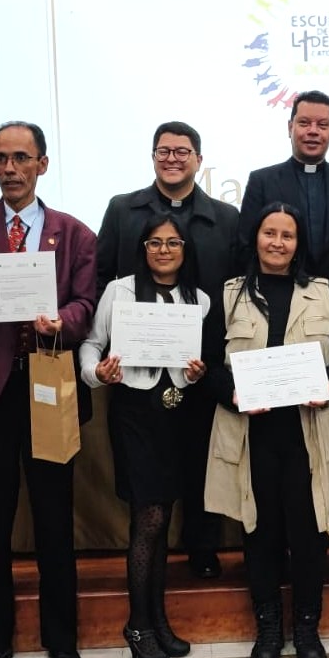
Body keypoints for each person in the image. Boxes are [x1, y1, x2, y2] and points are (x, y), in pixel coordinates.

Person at [0, 121, 98, 658]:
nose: (9, 169)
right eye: (1, 159)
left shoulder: (73, 232)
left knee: (55, 521)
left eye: (21, 159)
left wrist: (63, 321)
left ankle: (62, 641)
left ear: (42, 164)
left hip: (48, 385)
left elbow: (86, 303)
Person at [238, 89, 329, 574]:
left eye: (322, 124)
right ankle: (279, 541)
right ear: (290, 126)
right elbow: (248, 242)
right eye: (304, 122)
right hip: (275, 320)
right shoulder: (262, 181)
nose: (313, 131)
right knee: (278, 444)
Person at [206, 203, 329, 658]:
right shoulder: (230, 294)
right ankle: (268, 630)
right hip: (252, 434)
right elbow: (209, 363)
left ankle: (308, 630)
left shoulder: (324, 294)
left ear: (298, 244)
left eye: (287, 235)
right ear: (255, 238)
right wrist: (233, 392)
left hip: (307, 433)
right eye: (269, 233)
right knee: (260, 532)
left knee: (311, 533)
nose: (277, 242)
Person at [96, 120, 239, 579]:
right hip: (137, 369)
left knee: (200, 456)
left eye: (182, 151)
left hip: (202, 363)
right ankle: (151, 568)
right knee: (148, 481)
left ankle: (202, 545)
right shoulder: (123, 209)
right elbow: (102, 276)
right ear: (153, 156)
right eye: (164, 151)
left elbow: (232, 288)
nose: (173, 158)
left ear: (199, 158)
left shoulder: (226, 217)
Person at [82, 214, 210, 658]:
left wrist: (196, 375)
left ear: (185, 249)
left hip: (176, 415)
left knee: (163, 521)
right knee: (148, 519)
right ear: (142, 247)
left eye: (172, 242)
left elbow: (193, 365)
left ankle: (156, 619)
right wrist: (96, 373)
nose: (163, 250)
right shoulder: (120, 290)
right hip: (134, 415)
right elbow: (91, 344)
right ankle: (137, 627)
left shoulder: (201, 299)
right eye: (154, 243)